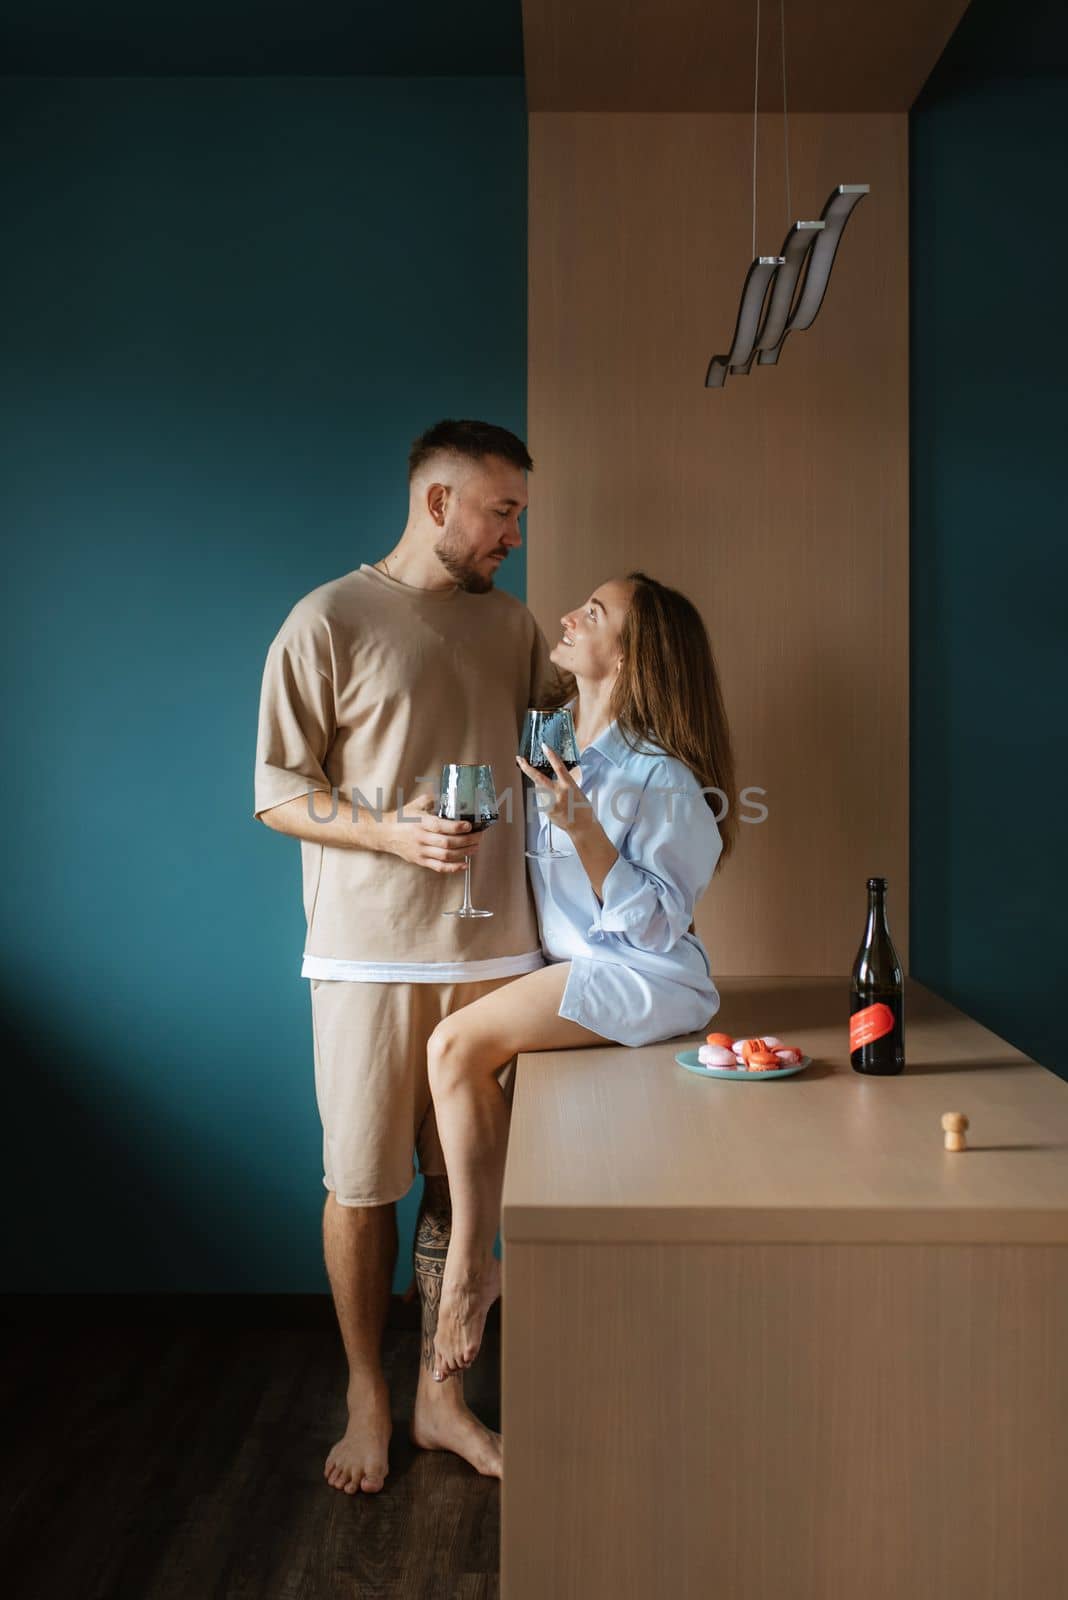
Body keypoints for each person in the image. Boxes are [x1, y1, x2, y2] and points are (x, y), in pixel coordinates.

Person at [252, 420, 567, 1493]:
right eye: (501, 510)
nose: (514, 533)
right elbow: (275, 789)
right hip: (367, 957)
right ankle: (366, 1391)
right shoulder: (326, 620)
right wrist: (390, 830)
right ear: (437, 503)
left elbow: (579, 740)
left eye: (518, 511)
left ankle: (443, 1393)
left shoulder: (515, 625)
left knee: (463, 1184)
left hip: (500, 952)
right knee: (361, 1182)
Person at [425, 571, 737, 1381]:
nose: (567, 614)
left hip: (645, 973)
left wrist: (590, 834)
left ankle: (469, 1268)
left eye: (592, 613)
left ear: (630, 658)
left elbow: (665, 924)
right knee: (472, 1060)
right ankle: (485, 1263)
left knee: (454, 1048)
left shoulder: (663, 778)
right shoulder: (546, 741)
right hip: (573, 965)